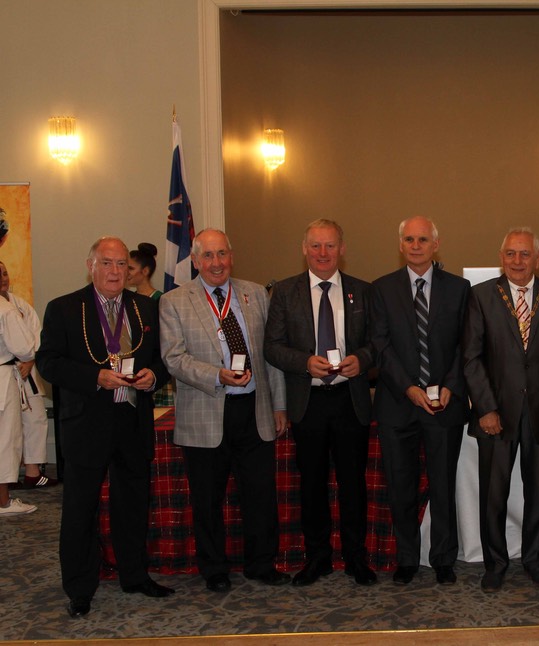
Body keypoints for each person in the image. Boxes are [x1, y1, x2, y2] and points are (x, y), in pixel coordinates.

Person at [37, 237, 173, 617]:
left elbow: (164, 359)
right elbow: (48, 362)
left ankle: (135, 575)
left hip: (132, 420)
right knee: (80, 509)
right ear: (91, 266)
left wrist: (153, 377)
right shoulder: (64, 308)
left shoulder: (146, 307)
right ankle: (80, 588)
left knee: (133, 504)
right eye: (107, 263)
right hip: (86, 424)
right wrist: (95, 377)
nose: (115, 272)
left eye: (122, 265)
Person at [159, 229, 290, 593]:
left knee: (261, 495)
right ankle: (214, 568)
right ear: (195, 260)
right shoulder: (174, 301)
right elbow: (174, 358)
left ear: (232, 256)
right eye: (208, 256)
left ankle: (261, 564)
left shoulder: (256, 294)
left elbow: (271, 355)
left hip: (255, 410)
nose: (216, 263)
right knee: (207, 498)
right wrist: (216, 374)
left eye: (222, 254)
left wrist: (280, 404)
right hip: (205, 412)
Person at [265, 219, 377, 587]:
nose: (323, 253)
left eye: (330, 245)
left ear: (342, 249)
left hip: (350, 399)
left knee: (352, 484)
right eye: (316, 246)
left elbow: (378, 342)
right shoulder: (285, 292)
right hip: (308, 400)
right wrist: (303, 362)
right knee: (311, 484)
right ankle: (318, 558)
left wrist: (362, 358)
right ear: (304, 249)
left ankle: (356, 558)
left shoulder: (362, 291)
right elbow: (272, 347)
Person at [461, 227, 539, 592]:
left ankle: (536, 561)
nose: (517, 261)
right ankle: (495, 564)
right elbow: (471, 358)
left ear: (538, 258)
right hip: (496, 415)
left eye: (525, 254)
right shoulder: (480, 296)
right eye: (510, 253)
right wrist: (485, 409)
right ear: (501, 257)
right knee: (493, 495)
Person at [370, 216, 470, 586]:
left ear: (435, 244)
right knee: (401, 487)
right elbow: (380, 344)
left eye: (423, 239)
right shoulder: (382, 289)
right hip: (398, 405)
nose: (416, 246)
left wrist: (452, 385)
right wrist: (408, 388)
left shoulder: (459, 289)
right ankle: (407, 559)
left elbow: (467, 344)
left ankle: (443, 558)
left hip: (445, 405)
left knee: (443, 486)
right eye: (409, 239)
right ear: (401, 245)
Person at [0, 261, 57, 490]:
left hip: (27, 370)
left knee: (35, 419)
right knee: (8, 428)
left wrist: (30, 361)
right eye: (0, 274)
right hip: (7, 370)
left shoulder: (20, 306)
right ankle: (7, 478)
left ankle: (33, 472)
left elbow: (35, 338)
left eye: (6, 273)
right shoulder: (6, 309)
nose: (4, 278)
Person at [0, 280, 37, 516]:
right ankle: (3, 502)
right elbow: (25, 348)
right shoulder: (5, 309)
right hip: (2, 378)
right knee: (5, 440)